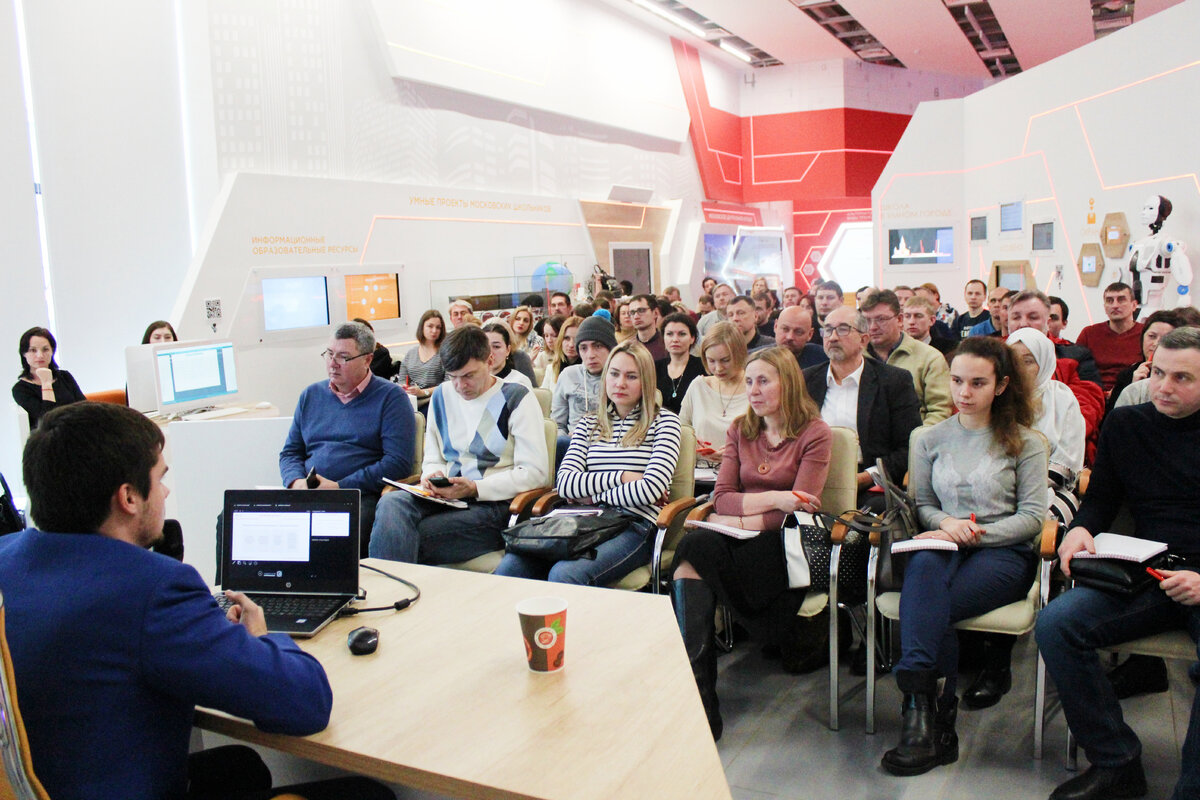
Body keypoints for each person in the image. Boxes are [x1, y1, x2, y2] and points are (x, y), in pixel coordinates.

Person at [0, 402, 394, 800]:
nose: (167, 491)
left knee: (239, 767)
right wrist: (261, 637)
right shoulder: (152, 590)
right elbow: (307, 704)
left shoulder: (4, 558)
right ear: (129, 497)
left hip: (48, 783)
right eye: (159, 478)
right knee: (367, 794)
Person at [1037, 327, 1200, 800]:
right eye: (1159, 373)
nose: (1163, 387)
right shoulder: (1128, 425)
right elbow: (1102, 498)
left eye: (1182, 378)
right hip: (1149, 568)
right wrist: (1081, 529)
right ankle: (1117, 762)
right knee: (1057, 624)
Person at [881, 336, 1047, 777]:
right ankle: (934, 721)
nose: (963, 393)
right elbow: (922, 506)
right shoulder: (928, 437)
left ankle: (923, 716)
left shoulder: (1026, 442)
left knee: (930, 606)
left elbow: (1032, 517)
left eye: (977, 383)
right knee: (927, 567)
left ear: (1001, 385)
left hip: (1004, 552)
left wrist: (977, 533)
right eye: (956, 381)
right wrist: (945, 525)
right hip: (943, 542)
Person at [671, 347, 833, 739]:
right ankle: (700, 693)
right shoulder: (742, 428)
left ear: (788, 384)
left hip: (786, 544)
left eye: (763, 381)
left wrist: (747, 515)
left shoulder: (815, 433)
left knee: (699, 548)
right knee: (693, 549)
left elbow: (801, 509)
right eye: (749, 382)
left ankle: (700, 692)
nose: (753, 391)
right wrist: (775, 498)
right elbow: (721, 497)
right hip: (743, 534)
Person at [954, 328, 1086, 711]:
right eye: (1014, 360)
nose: (1022, 368)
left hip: (1049, 490)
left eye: (1029, 359)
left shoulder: (1062, 399)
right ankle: (965, 640)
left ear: (1044, 361)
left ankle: (997, 660)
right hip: (989, 489)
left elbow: (1070, 463)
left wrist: (1021, 480)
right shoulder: (991, 397)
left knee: (1027, 528)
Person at [495, 340, 681, 585]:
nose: (620, 383)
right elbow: (565, 484)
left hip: (633, 524)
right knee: (512, 566)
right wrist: (623, 477)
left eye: (631, 376)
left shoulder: (665, 423)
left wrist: (591, 493)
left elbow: (650, 490)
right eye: (613, 374)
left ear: (646, 381)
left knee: (565, 574)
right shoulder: (589, 423)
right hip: (579, 518)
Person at [369, 325, 549, 565]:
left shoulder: (517, 398)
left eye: (468, 376)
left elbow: (535, 474)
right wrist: (434, 478)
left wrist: (474, 488)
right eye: (452, 376)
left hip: (494, 505)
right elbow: (434, 457)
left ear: (489, 360)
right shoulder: (442, 395)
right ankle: (396, 595)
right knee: (391, 503)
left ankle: (393, 596)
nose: (459, 385)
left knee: (403, 537)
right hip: (447, 498)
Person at [278, 322, 416, 554]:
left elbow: (397, 463)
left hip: (359, 496)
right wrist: (295, 482)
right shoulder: (311, 395)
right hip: (308, 492)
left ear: (367, 360)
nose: (332, 364)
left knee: (336, 532)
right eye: (329, 354)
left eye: (343, 357)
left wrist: (340, 486)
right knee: (231, 518)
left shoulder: (391, 398)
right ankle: (229, 591)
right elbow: (291, 452)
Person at [803, 306, 921, 509]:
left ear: (864, 340)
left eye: (842, 329)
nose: (832, 337)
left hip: (867, 480)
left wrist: (865, 477)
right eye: (827, 330)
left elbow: (908, 448)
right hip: (812, 477)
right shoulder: (806, 380)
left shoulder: (893, 381)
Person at [1006, 290, 1106, 461]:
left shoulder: (1074, 356)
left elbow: (1088, 407)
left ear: (1048, 322)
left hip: (1057, 449)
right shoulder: (993, 358)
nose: (1023, 323)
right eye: (1016, 317)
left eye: (1033, 317)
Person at [860, 290, 952, 425]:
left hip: (913, 439)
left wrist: (917, 440)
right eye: (867, 320)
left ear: (899, 320)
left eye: (881, 319)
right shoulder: (856, 357)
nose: (873, 327)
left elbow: (940, 410)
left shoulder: (929, 358)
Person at [679, 322, 749, 465]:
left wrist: (736, 452)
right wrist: (693, 445)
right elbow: (681, 430)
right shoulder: (698, 386)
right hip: (700, 474)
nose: (718, 368)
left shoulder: (754, 388)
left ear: (739, 354)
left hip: (743, 472)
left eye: (725, 360)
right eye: (711, 361)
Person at [1107, 309, 1180, 415]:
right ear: (1142, 338)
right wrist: (1134, 388)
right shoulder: (1126, 375)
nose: (1156, 343)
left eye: (1165, 338)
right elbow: (1112, 417)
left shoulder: (1179, 377)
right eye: (1152, 336)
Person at [13, 326, 86, 430]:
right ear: (24, 354)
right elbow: (47, 420)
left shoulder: (64, 376)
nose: (40, 355)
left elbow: (84, 406)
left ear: (52, 351)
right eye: (33, 350)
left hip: (75, 430)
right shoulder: (20, 389)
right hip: (48, 439)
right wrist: (46, 382)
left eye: (45, 349)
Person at [1076, 282, 1144, 392]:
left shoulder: (1146, 333)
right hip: (1094, 395)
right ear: (1104, 307)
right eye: (1109, 300)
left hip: (1134, 393)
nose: (1115, 305)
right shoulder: (1089, 333)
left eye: (1121, 299)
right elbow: (1075, 370)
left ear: (1134, 305)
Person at [655, 312, 705, 415]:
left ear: (692, 338)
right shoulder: (654, 368)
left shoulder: (703, 368)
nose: (675, 339)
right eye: (669, 334)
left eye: (682, 334)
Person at [395, 309, 446, 406]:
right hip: (412, 400)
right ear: (422, 327)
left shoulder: (445, 353)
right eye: (430, 326)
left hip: (435, 400)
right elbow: (401, 381)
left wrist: (423, 392)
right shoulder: (411, 353)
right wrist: (407, 389)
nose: (434, 331)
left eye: (438, 327)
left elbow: (448, 385)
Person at [774, 305, 828, 370]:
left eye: (798, 332)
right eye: (785, 329)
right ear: (776, 326)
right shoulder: (760, 359)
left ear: (810, 334)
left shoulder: (823, 359)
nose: (790, 337)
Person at [541, 314, 582, 390]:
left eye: (576, 339)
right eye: (566, 338)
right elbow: (544, 397)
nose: (571, 345)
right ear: (561, 340)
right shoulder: (551, 369)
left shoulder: (591, 370)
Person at [627, 293, 667, 360]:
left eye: (641, 310)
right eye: (632, 312)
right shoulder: (628, 347)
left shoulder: (667, 345)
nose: (636, 316)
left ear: (655, 313)